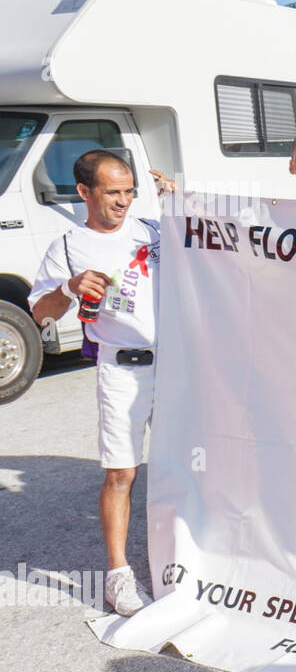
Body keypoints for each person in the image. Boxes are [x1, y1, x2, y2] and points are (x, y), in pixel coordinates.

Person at [28, 151, 161, 616]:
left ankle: (186, 563)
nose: (123, 201)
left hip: (177, 365)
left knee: (186, 467)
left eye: (129, 191)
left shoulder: (153, 230)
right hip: (121, 367)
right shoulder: (67, 246)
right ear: (85, 192)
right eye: (112, 193)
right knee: (122, 472)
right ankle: (119, 576)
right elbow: (40, 314)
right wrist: (68, 288)